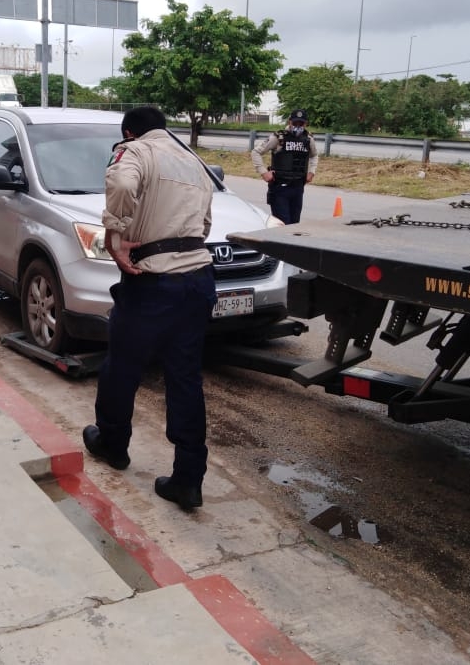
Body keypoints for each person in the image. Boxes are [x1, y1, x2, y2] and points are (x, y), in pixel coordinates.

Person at [82, 106, 217, 511]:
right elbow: (206, 221)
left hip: (152, 281)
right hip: (198, 279)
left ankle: (112, 443)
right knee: (185, 378)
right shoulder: (193, 161)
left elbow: (122, 183)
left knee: (122, 366)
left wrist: (115, 234)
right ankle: (188, 480)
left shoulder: (135, 151)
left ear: (130, 131)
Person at [250, 108, 318, 224]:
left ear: (306, 123)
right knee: (282, 224)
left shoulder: (308, 139)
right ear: (289, 121)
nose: (298, 125)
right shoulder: (279, 138)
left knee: (294, 225)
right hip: (280, 188)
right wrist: (264, 173)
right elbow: (256, 152)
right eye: (295, 123)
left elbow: (314, 155)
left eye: (301, 123)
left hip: (298, 188)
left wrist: (311, 172)